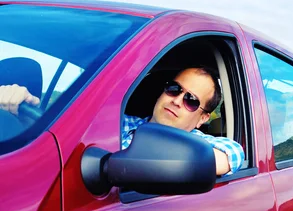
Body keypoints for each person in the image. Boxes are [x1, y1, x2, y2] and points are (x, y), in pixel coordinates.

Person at [0, 67, 244, 176]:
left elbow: (233, 153)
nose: (178, 100)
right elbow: (68, 130)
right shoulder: (116, 123)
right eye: (174, 89)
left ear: (202, 118)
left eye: (191, 100)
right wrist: (26, 106)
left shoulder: (197, 146)